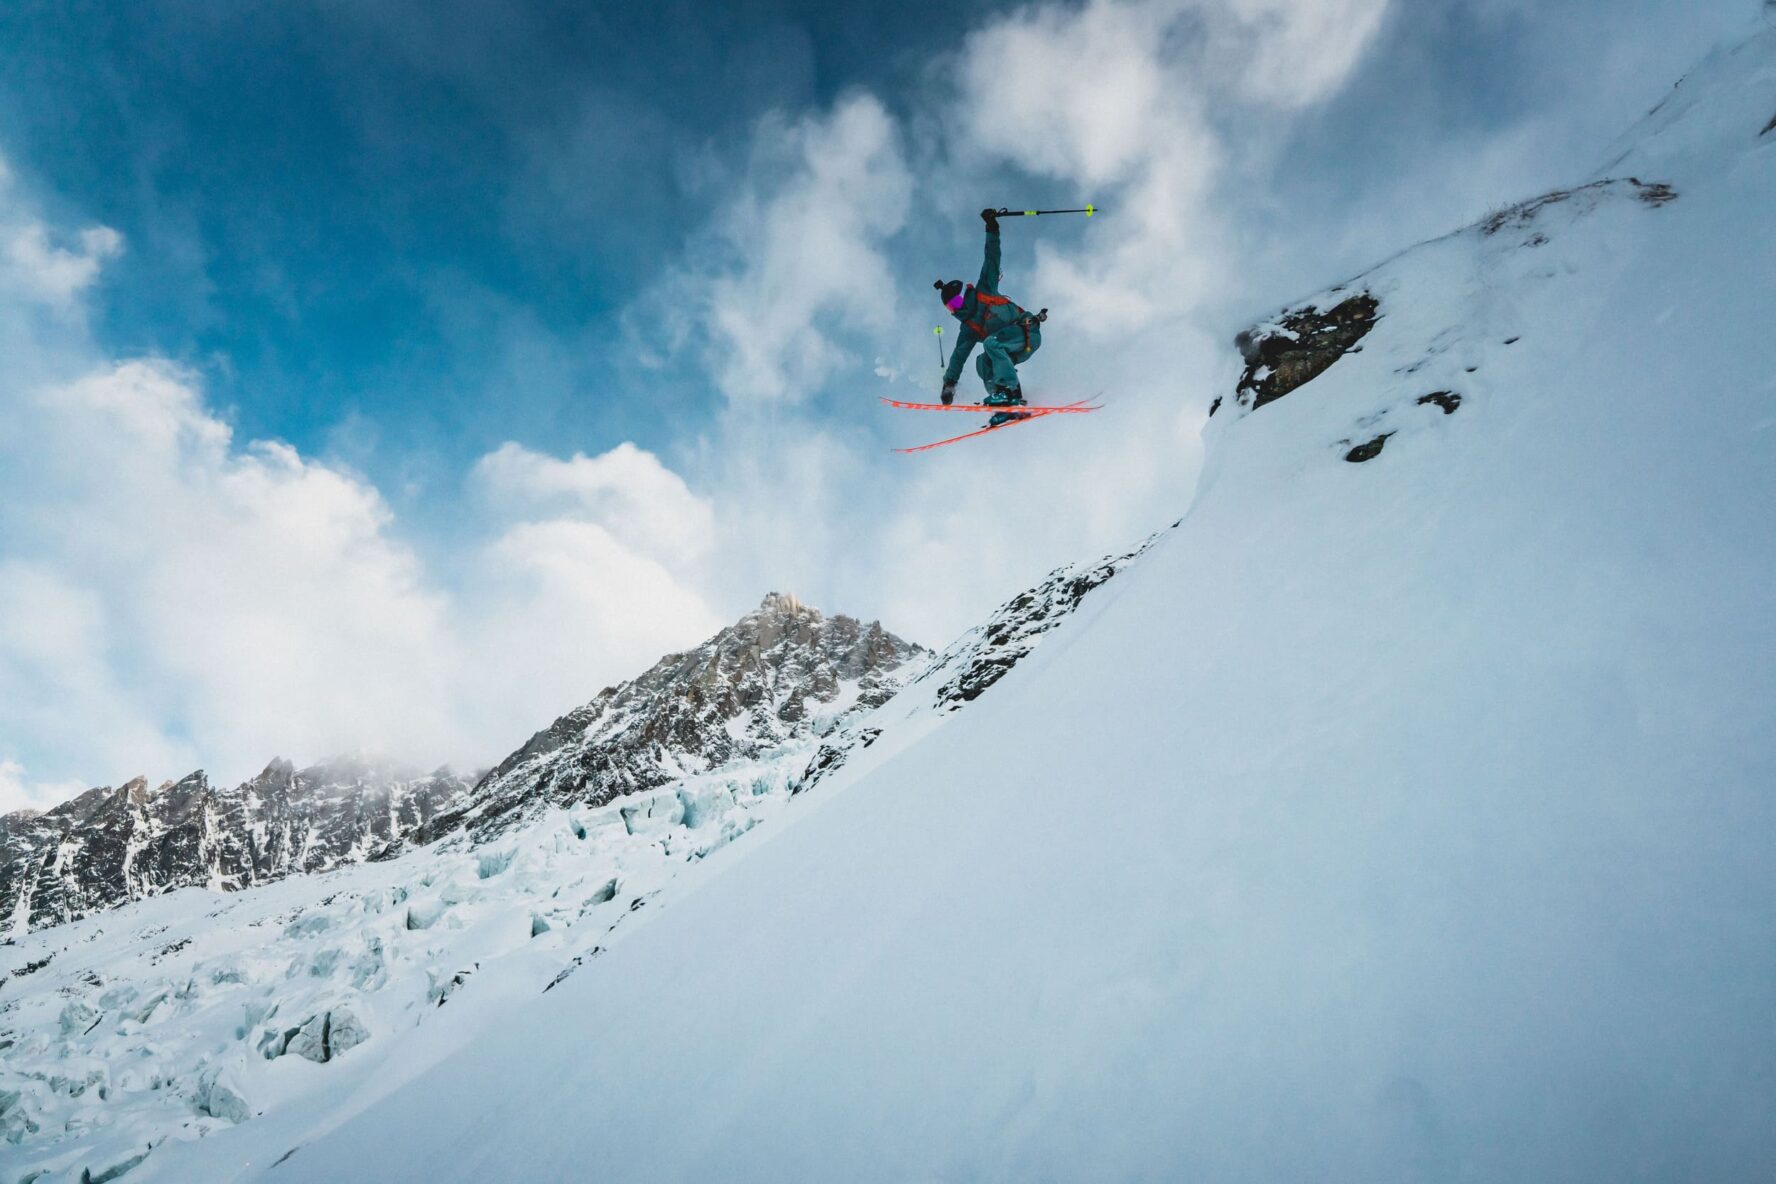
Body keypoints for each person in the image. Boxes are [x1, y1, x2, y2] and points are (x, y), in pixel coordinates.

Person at [935, 209, 1047, 426]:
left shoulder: (984, 289)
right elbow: (959, 356)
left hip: (1027, 333)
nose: (957, 309)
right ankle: (1004, 403)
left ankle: (1010, 391)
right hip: (1011, 349)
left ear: (963, 295)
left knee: (990, 343)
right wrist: (949, 384)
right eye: (951, 308)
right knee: (982, 361)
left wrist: (991, 226)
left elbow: (992, 256)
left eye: (956, 302)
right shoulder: (968, 327)